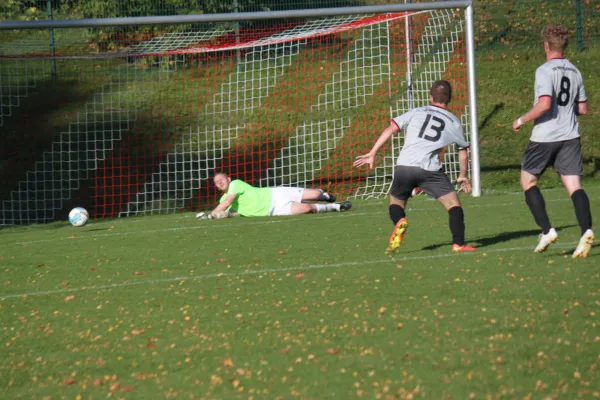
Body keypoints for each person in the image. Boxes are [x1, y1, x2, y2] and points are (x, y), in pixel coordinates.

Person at [354, 80, 476, 253]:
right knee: (453, 205)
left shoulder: (416, 112)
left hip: (405, 166)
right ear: (450, 99)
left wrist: (373, 152)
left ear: (430, 96)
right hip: (430, 170)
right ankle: (459, 244)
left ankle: (399, 221)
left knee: (396, 202)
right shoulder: (454, 121)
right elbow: (462, 150)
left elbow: (390, 129)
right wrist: (462, 174)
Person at [512, 24, 593, 258]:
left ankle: (547, 230)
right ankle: (586, 230)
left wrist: (521, 119)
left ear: (546, 46)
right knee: (574, 186)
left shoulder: (544, 70)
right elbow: (583, 108)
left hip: (545, 137)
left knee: (528, 181)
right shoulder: (575, 71)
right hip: (570, 136)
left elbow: (545, 104)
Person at [196, 172, 352, 219]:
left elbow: (225, 204)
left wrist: (210, 215)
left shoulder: (235, 184)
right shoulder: (223, 200)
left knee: (315, 194)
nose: (220, 183)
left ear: (228, 179)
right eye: (217, 183)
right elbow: (229, 211)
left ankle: (324, 195)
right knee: (306, 208)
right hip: (273, 210)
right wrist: (220, 216)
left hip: (276, 193)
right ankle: (336, 206)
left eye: (221, 180)